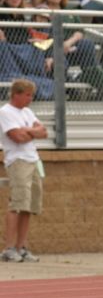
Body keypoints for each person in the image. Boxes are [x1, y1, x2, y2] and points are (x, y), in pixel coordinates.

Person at [0, 79, 46, 263]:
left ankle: (22, 247)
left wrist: (28, 131)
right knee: (17, 204)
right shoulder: (5, 112)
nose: (30, 99)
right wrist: (31, 132)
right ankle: (9, 248)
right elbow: (17, 137)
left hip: (33, 160)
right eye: (27, 95)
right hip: (18, 161)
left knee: (29, 207)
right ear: (16, 94)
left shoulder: (27, 111)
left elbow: (44, 132)